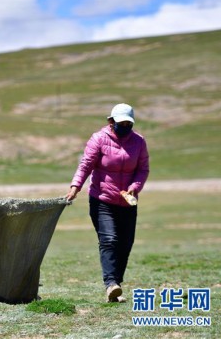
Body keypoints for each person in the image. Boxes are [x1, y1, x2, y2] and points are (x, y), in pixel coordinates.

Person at [66, 103, 149, 303]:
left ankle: (116, 287)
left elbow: (143, 169)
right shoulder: (99, 139)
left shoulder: (139, 142)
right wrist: (75, 186)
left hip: (128, 201)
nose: (125, 126)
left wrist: (135, 186)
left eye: (129, 123)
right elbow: (86, 164)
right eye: (121, 123)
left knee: (125, 244)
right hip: (102, 199)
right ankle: (110, 283)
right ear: (111, 121)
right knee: (109, 240)